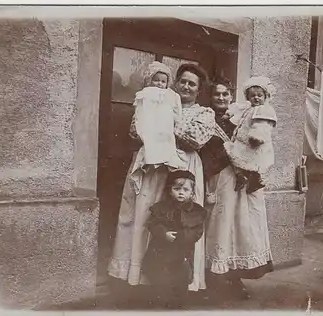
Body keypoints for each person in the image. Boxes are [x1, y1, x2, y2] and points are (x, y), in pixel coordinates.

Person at [107, 63, 215, 295]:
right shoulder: (154, 102)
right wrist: (155, 115)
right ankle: (138, 276)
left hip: (183, 168)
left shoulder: (204, 113)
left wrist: (165, 121)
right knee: (145, 214)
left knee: (180, 219)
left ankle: (179, 280)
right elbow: (135, 132)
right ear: (174, 83)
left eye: (192, 84)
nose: (186, 86)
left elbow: (194, 141)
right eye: (182, 81)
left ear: (199, 90)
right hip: (153, 168)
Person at [200, 76, 275, 302]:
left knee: (241, 226)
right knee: (219, 226)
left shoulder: (241, 116)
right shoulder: (206, 118)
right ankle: (213, 276)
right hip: (218, 178)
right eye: (217, 94)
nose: (221, 98)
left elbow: (256, 144)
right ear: (211, 98)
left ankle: (235, 276)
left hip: (241, 181)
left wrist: (249, 171)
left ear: (231, 97)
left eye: (225, 94)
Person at [142, 170, 207, 309]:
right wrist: (164, 234)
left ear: (192, 193)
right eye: (177, 189)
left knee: (181, 278)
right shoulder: (162, 207)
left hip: (182, 251)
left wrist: (183, 236)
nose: (181, 192)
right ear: (170, 191)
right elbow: (152, 224)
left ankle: (179, 305)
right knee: (160, 276)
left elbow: (197, 231)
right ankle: (160, 302)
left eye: (185, 189)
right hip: (162, 250)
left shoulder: (196, 212)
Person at [130, 61, 187, 194]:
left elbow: (177, 112)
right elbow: (139, 113)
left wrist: (175, 123)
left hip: (165, 127)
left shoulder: (171, 96)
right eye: (156, 80)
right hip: (149, 126)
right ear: (149, 81)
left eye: (163, 81)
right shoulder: (145, 94)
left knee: (166, 145)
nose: (159, 84)